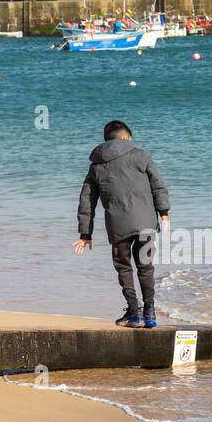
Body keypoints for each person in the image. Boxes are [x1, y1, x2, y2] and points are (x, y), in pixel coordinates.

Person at [74, 120, 169, 328]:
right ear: (126, 138)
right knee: (146, 267)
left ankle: (134, 313)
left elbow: (86, 200)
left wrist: (85, 233)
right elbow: (158, 184)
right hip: (146, 223)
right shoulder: (142, 156)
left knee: (124, 268)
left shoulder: (96, 166)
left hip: (118, 226)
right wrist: (164, 211)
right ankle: (150, 312)